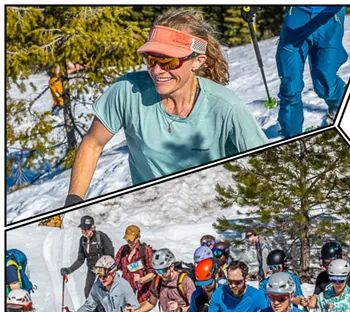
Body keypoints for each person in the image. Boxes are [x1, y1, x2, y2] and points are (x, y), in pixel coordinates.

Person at [64, 10, 267, 205]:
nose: (157, 70)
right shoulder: (128, 91)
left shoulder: (227, 108)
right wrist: (73, 202)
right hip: (150, 213)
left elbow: (265, 166)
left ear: (197, 61)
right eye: (151, 60)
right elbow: (92, 144)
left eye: (169, 61)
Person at [276, 6, 348, 137]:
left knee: (326, 82)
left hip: (329, 17)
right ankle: (291, 138)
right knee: (290, 87)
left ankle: (340, 109)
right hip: (296, 16)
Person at [60, 215, 113, 312]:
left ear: (93, 228)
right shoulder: (83, 240)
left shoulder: (101, 237)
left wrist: (107, 274)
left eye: (87, 228)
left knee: (102, 305)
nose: (84, 231)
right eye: (82, 228)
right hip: (91, 273)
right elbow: (80, 259)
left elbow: (110, 256)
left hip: (103, 274)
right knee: (90, 301)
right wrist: (69, 270)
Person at [308, 240, 350, 310]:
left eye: (341, 279)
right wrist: (311, 301)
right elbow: (316, 295)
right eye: (326, 263)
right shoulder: (322, 277)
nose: (329, 266)